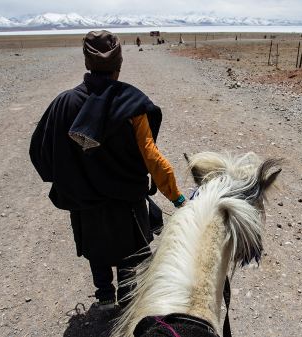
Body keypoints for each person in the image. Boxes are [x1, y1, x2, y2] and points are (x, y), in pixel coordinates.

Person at [29, 30, 186, 310]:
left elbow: (40, 151)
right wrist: (176, 197)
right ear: (120, 63)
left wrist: (68, 178)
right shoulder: (132, 103)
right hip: (126, 200)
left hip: (84, 202)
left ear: (87, 62)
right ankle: (127, 297)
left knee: (96, 250)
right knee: (128, 254)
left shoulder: (63, 103)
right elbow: (151, 155)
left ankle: (103, 296)